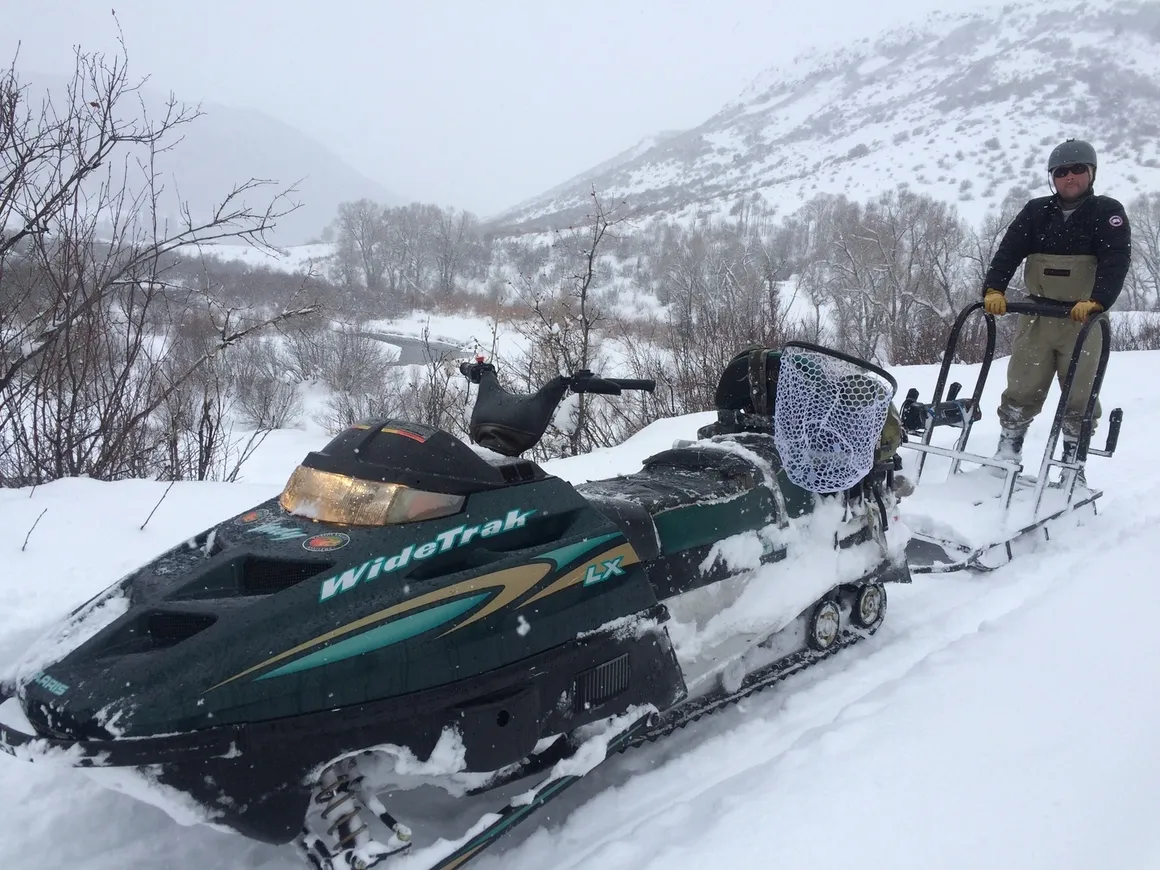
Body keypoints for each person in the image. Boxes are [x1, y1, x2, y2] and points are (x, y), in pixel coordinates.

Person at [980, 138, 1131, 484]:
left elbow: (1115, 261)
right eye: (1062, 172)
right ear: (1053, 177)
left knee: (1080, 391)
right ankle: (1007, 451)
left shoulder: (1107, 213)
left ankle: (1071, 466)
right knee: (1021, 383)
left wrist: (1098, 300)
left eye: (1078, 169)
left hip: (1083, 320)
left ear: (1091, 173)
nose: (1070, 177)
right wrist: (994, 288)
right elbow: (1008, 251)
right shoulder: (1036, 212)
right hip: (1036, 314)